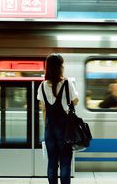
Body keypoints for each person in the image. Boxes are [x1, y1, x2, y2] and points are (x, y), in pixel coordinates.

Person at [37, 53, 79, 184]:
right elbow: (75, 101)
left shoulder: (42, 85)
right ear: (60, 67)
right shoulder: (67, 83)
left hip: (49, 129)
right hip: (65, 130)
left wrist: (47, 126)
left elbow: (43, 108)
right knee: (65, 163)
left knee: (52, 164)